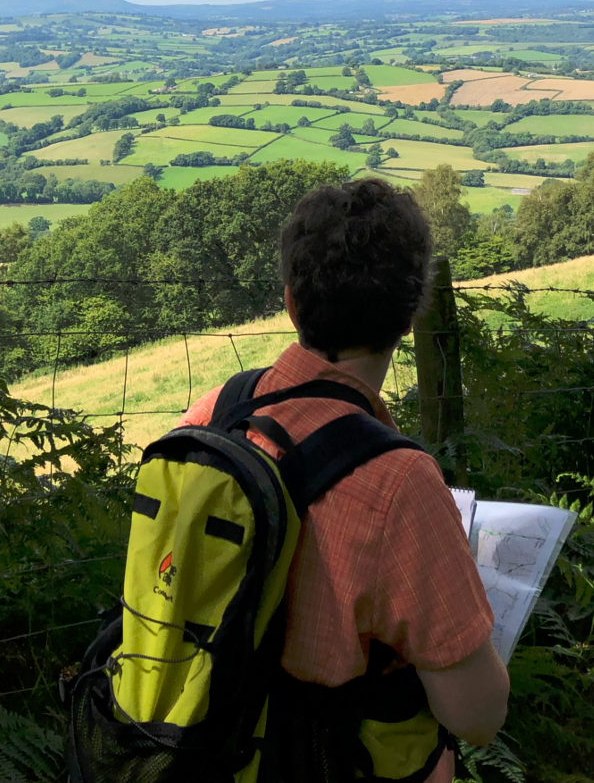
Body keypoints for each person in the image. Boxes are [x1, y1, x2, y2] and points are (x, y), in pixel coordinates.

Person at [176, 177, 509, 782]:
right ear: (410, 317)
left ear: (291, 303)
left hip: (200, 750)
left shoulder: (211, 416)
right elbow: (478, 716)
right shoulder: (400, 484)